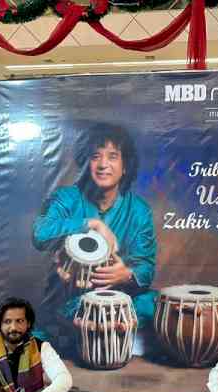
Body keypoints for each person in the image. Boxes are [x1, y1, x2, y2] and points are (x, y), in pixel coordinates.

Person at [32, 123, 157, 347]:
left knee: (157, 303)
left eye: (112, 156)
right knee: (66, 314)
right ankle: (107, 329)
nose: (103, 165)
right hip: (69, 299)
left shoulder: (139, 211)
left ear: (125, 165)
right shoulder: (66, 198)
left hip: (118, 299)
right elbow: (40, 234)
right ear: (86, 163)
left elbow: (146, 268)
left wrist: (126, 274)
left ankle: (104, 327)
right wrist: (90, 223)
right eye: (95, 156)